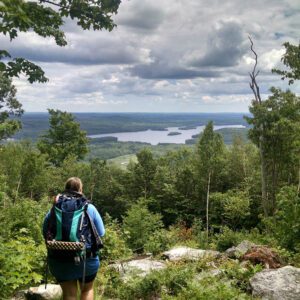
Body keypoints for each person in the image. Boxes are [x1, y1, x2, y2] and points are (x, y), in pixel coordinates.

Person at [43, 177, 105, 300]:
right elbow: (101, 233)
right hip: (86, 259)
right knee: (87, 290)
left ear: (65, 189)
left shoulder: (55, 207)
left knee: (69, 295)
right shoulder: (88, 207)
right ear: (80, 189)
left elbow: (45, 232)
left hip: (59, 258)